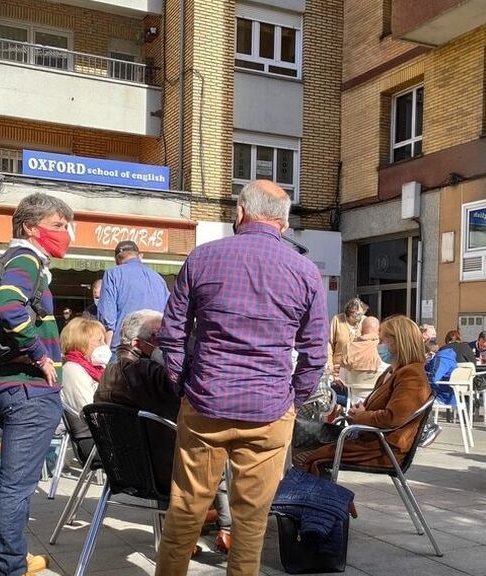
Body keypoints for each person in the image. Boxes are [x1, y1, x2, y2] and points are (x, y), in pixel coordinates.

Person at [155, 180, 327, 576]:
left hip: (206, 403)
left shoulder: (202, 258)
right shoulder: (305, 271)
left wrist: (184, 384)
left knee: (185, 511)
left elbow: (172, 332)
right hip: (268, 412)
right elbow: (316, 352)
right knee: (251, 525)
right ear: (284, 224)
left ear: (240, 213)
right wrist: (291, 402)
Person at [95, 309, 233, 554]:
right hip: (163, 473)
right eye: (161, 336)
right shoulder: (148, 373)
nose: (170, 340)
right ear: (138, 343)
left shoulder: (110, 372)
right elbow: (193, 396)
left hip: (125, 471)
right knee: (218, 448)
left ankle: (200, 525)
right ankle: (228, 529)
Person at [0, 192, 72, 576]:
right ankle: (9, 568)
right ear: (30, 228)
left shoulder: (12, 259)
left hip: (10, 387)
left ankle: (13, 558)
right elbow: (8, 304)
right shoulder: (26, 259)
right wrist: (39, 354)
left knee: (13, 481)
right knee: (17, 485)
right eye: (57, 225)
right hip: (28, 390)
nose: (65, 233)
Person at [294, 315, 432, 476]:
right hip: (368, 438)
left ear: (397, 342)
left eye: (381, 341)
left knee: (305, 458)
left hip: (381, 448)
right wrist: (360, 410)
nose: (378, 346)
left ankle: (329, 500)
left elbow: (392, 418)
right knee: (300, 439)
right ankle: (326, 499)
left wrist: (361, 415)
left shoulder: (411, 375)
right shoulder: (392, 371)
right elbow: (377, 406)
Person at [97, 240, 170, 346]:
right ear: (140, 256)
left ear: (116, 259)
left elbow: (108, 320)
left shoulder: (113, 274)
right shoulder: (158, 278)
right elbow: (169, 314)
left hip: (124, 348)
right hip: (154, 346)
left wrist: (106, 353)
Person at [58, 317, 109, 414]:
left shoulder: (98, 368)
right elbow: (90, 411)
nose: (104, 345)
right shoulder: (73, 369)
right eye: (99, 341)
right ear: (81, 343)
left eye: (104, 341)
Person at [337, 316, 388, 400]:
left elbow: (342, 379)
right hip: (379, 398)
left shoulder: (349, 348)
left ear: (361, 330)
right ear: (379, 331)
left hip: (354, 398)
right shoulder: (384, 349)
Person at [327, 298, 367, 376]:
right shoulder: (337, 320)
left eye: (361, 314)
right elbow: (329, 344)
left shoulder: (364, 321)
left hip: (358, 369)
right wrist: (330, 366)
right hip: (337, 369)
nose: (360, 317)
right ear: (349, 313)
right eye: (357, 314)